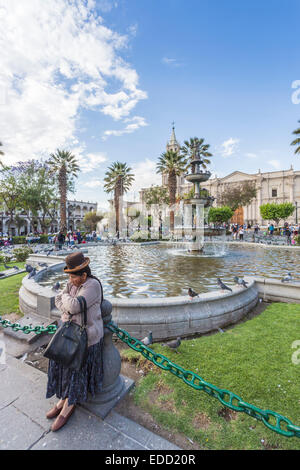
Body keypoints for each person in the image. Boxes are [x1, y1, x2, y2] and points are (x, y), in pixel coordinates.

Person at [46, 251, 104, 432]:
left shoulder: (92, 285)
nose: (70, 280)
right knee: (65, 368)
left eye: (73, 276)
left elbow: (72, 305)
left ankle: (68, 406)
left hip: (85, 338)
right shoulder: (72, 283)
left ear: (84, 275)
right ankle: (64, 398)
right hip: (69, 333)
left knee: (75, 371)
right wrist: (67, 300)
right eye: (69, 276)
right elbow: (58, 300)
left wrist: (66, 300)